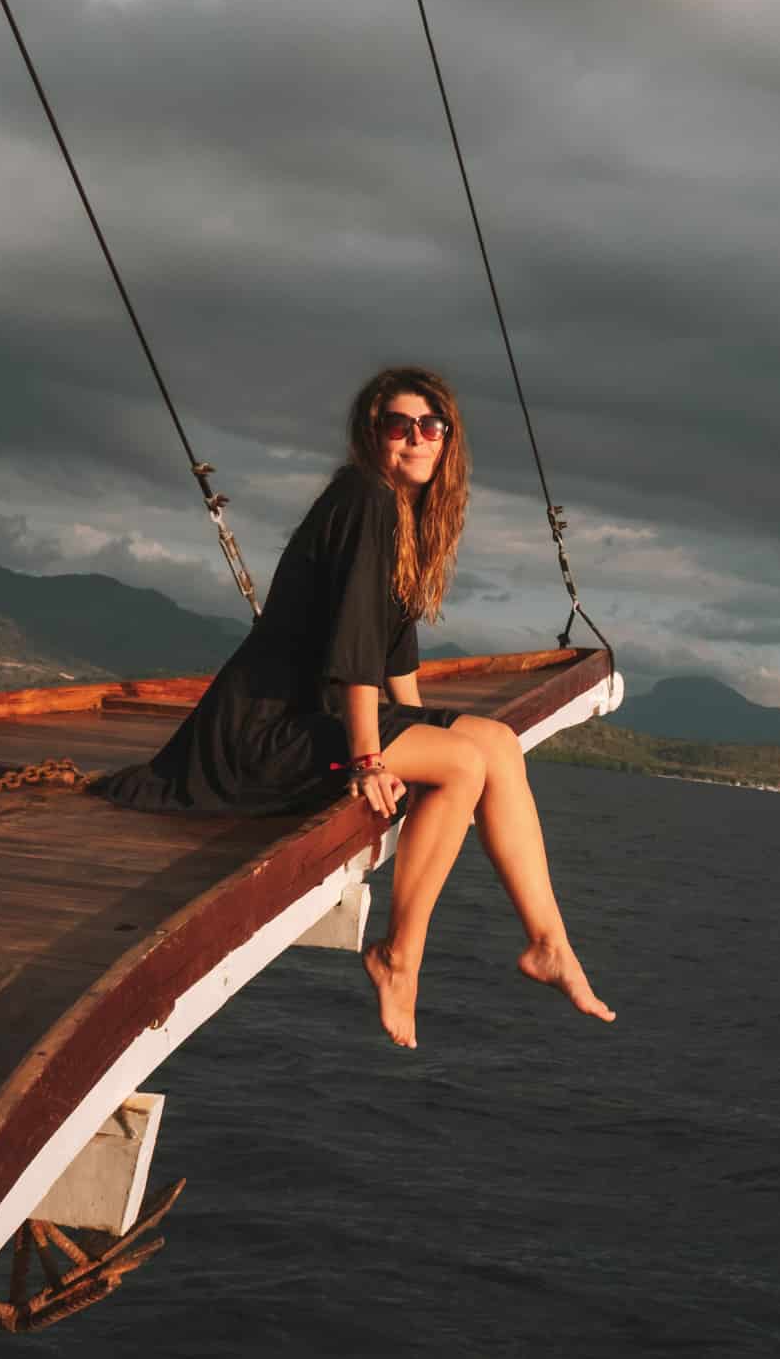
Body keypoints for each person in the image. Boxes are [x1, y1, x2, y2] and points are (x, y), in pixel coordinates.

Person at [98, 366, 613, 1047]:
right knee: (462, 766)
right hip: (261, 732)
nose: (415, 438)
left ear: (447, 438)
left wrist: (428, 729)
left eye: (431, 426)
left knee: (492, 743)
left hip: (310, 719)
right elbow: (355, 655)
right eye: (399, 426)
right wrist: (373, 758)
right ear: (372, 435)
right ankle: (400, 958)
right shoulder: (365, 498)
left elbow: (397, 662)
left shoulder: (399, 516)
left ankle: (550, 942)